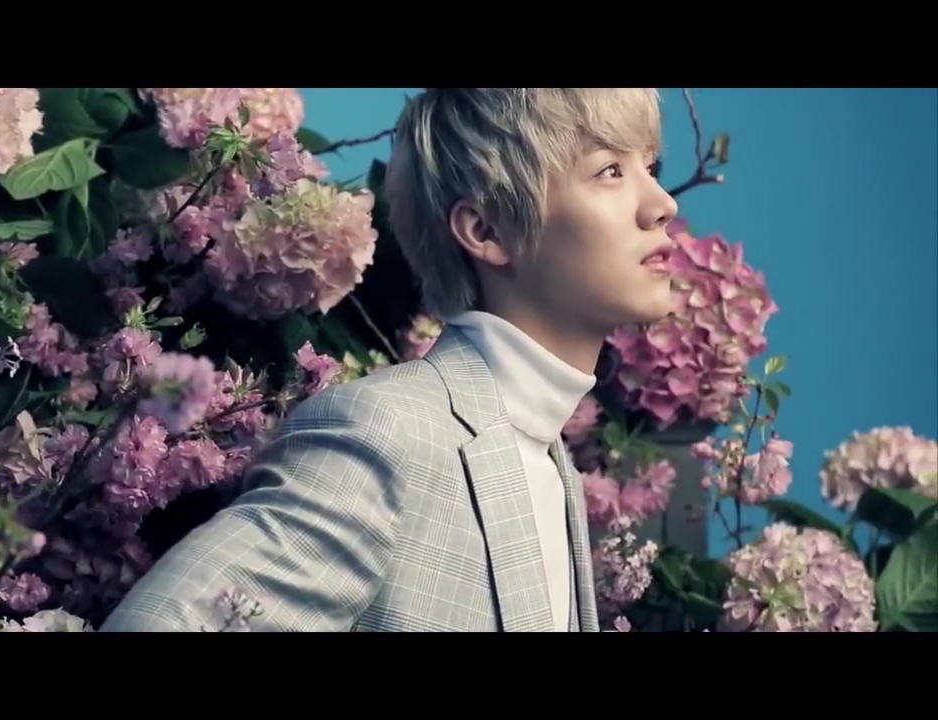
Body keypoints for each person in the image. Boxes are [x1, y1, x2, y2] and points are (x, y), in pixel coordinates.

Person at [100, 88, 680, 632]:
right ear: (486, 230)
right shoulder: (390, 434)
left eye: (649, 168)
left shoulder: (549, 460)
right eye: (610, 170)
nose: (662, 204)